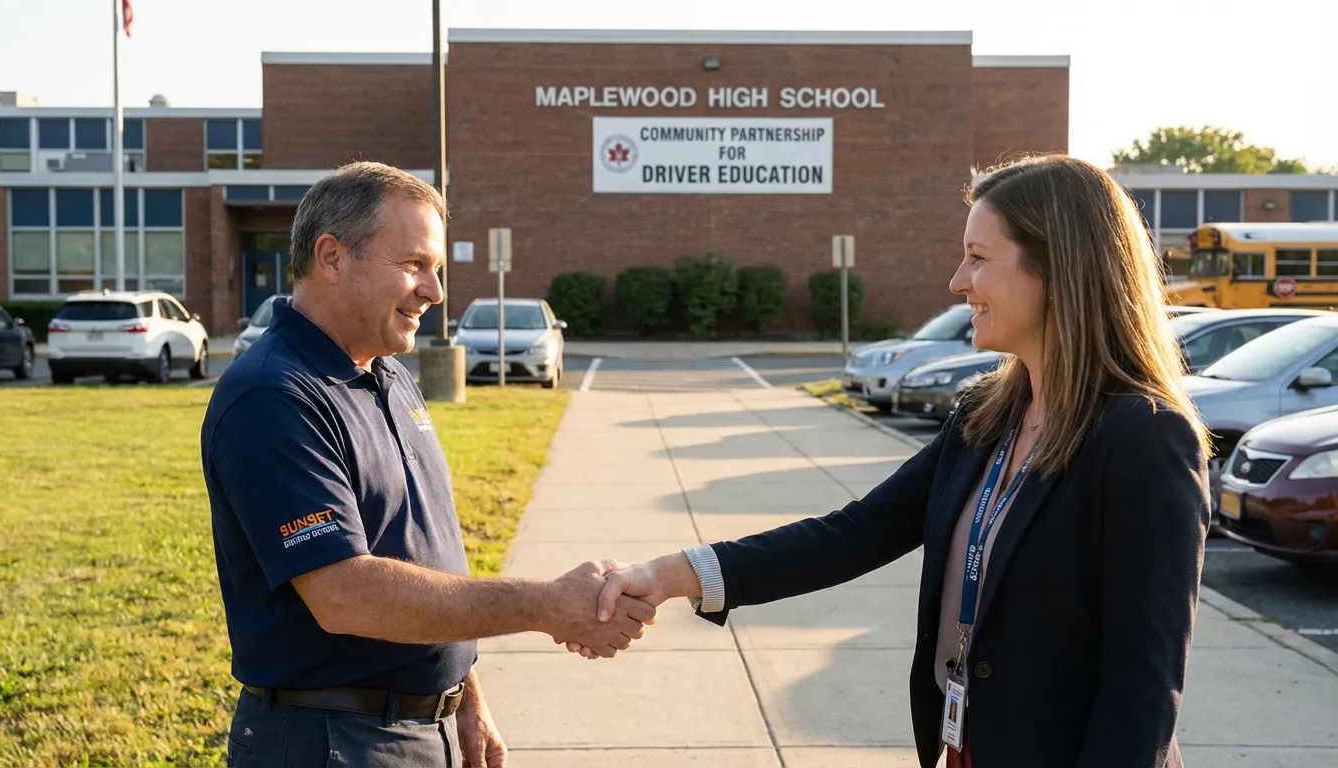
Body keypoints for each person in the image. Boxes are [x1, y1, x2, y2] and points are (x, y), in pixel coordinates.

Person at [574, 154, 1212, 768]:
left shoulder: (1145, 438)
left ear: (1057, 269)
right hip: (965, 747)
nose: (958, 281)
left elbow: (1143, 687)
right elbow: (854, 533)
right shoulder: (984, 418)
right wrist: (671, 574)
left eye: (978, 258)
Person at [201, 161, 655, 768]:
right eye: (415, 265)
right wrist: (545, 603)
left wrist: (464, 690)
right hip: (330, 740)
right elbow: (344, 594)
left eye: (436, 270)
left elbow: (421, 549)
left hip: (415, 728)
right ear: (332, 258)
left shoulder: (386, 374)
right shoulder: (274, 396)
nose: (435, 293)